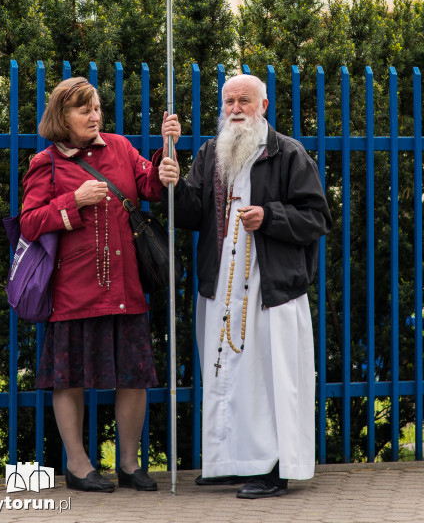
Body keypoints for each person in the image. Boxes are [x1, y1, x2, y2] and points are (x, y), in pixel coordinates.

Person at [158, 74, 332, 499]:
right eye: (229, 101)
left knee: (268, 381)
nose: (235, 108)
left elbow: (317, 218)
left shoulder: (288, 153)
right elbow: (189, 213)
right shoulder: (210, 153)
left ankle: (274, 470)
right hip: (222, 289)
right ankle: (232, 463)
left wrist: (269, 217)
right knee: (228, 377)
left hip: (270, 291)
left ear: (264, 105)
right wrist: (172, 181)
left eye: (244, 101)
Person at [20, 76, 181, 494]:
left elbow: (148, 187)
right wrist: (72, 202)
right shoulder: (47, 164)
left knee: (134, 376)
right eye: (83, 110)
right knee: (67, 378)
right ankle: (78, 465)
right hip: (74, 290)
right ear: (62, 116)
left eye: (96, 108)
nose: (94, 116)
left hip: (125, 288)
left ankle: (129, 465)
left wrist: (167, 158)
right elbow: (29, 222)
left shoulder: (120, 148)